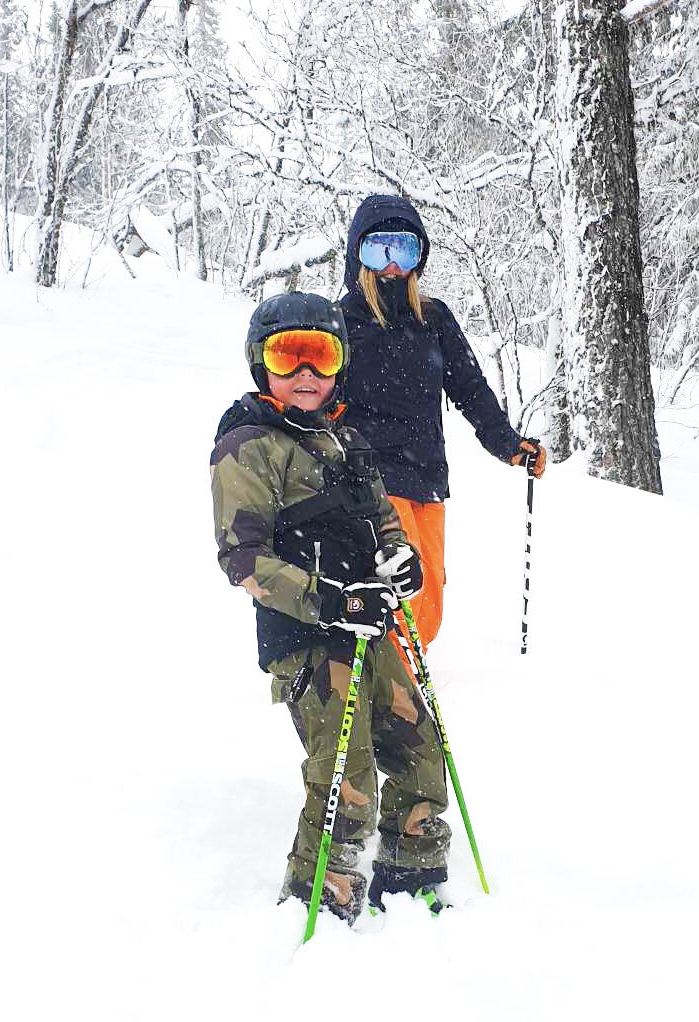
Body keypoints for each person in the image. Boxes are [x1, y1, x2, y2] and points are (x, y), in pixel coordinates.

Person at [211, 291, 450, 924]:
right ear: (262, 365)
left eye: (320, 356)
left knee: (420, 748)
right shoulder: (248, 444)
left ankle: (414, 869)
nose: (306, 375)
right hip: (307, 638)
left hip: (370, 628)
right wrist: (330, 600)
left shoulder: (346, 435)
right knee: (349, 774)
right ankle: (322, 898)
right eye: (288, 358)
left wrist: (401, 561)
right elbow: (243, 558)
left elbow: (381, 518)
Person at [341, 194, 546, 652]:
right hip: (370, 478)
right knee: (401, 592)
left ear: (420, 257)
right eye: (379, 250)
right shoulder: (341, 322)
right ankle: (393, 689)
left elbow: (470, 389)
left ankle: (407, 670)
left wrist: (508, 445)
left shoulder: (432, 318)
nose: (392, 266)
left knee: (428, 603)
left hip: (427, 475)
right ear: (357, 255)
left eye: (405, 250)